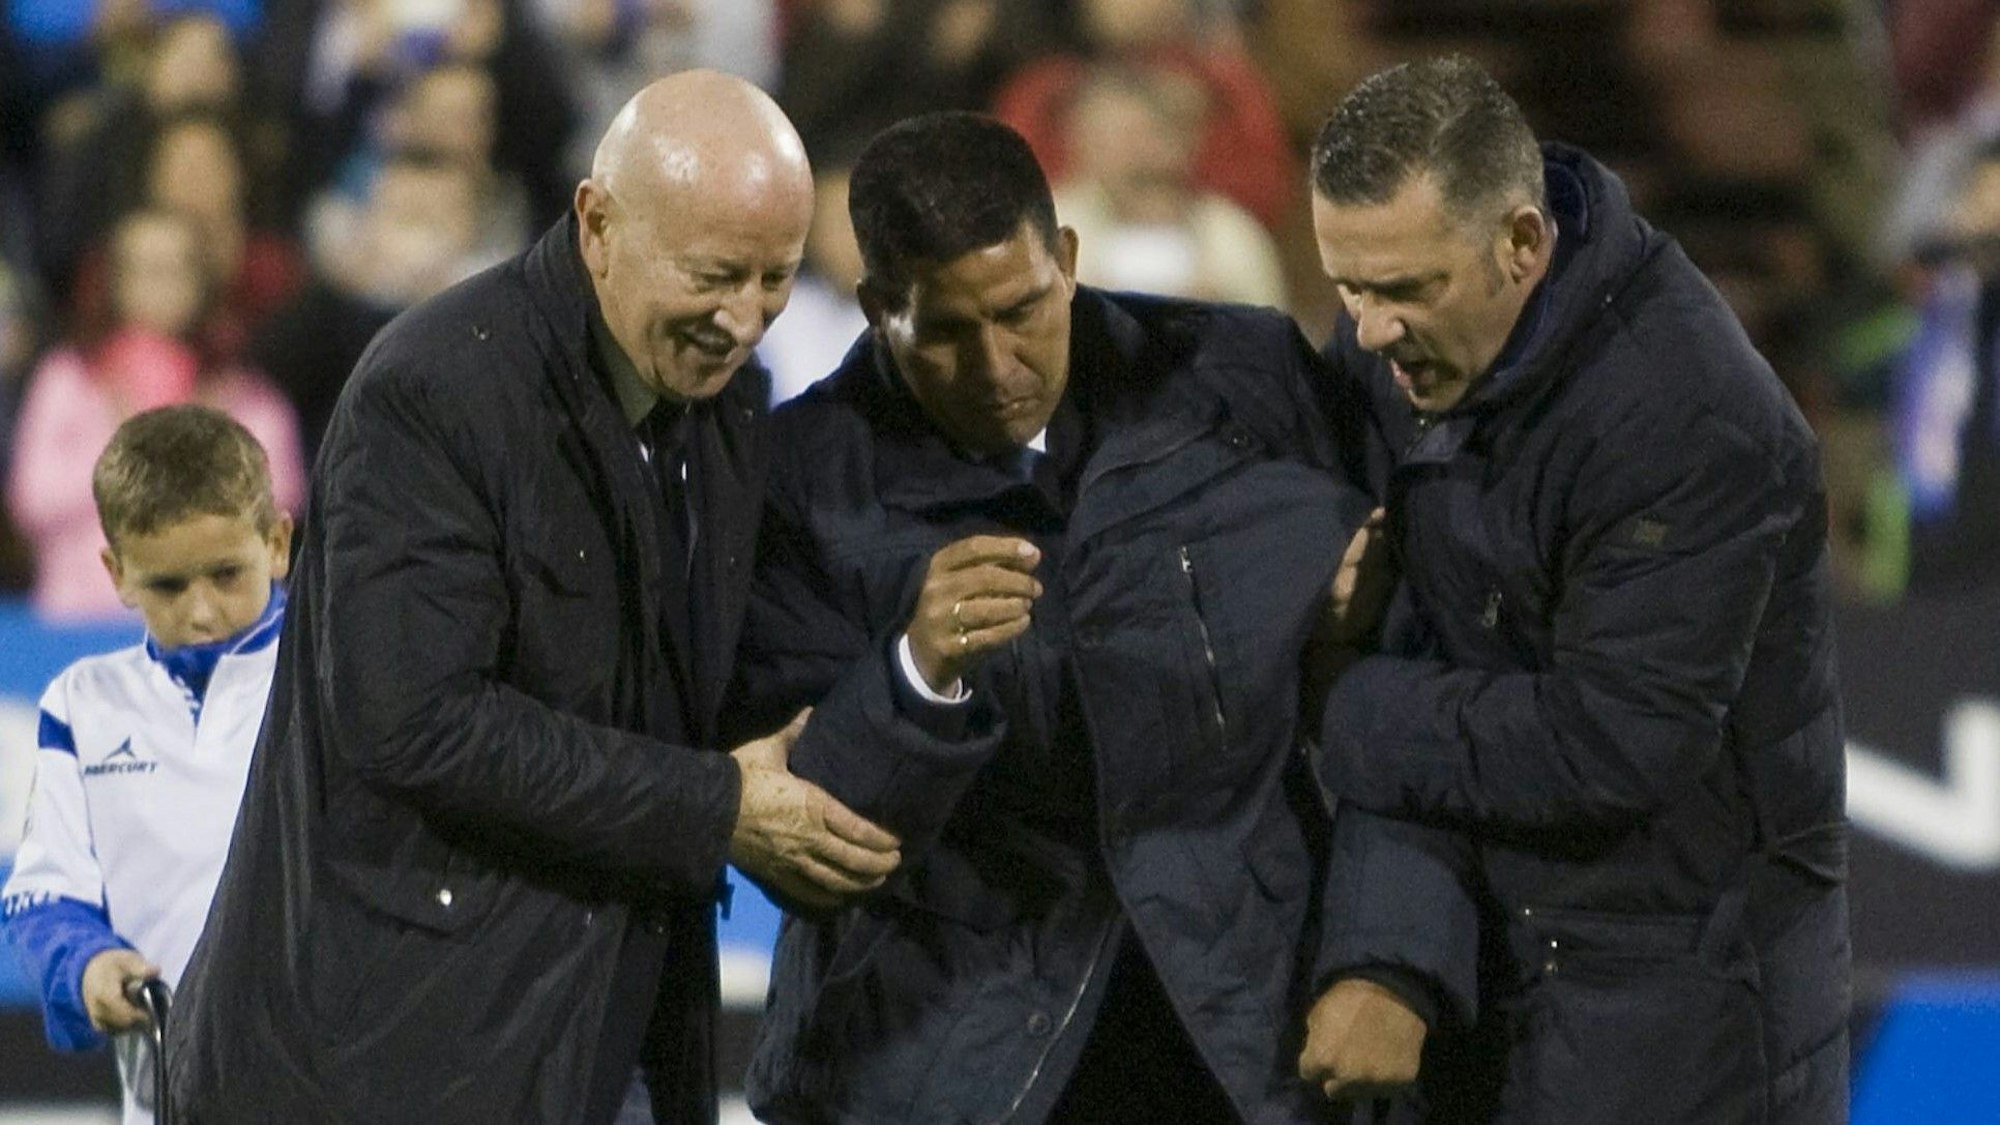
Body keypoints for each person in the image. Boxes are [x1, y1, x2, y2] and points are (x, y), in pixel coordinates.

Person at [166, 70, 902, 1123]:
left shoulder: (726, 405)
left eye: (774, 277)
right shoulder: (435, 391)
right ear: (598, 225)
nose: (744, 318)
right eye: (713, 275)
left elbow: (702, 687)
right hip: (394, 1052)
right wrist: (719, 806)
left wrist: (916, 668)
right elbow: (414, 721)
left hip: (606, 1027)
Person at [729, 110, 1466, 1125]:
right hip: (950, 1059)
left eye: (1022, 310)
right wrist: (915, 676)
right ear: (875, 307)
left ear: (1066, 259)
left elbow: (1408, 688)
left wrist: (1390, 958)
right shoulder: (799, 484)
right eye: (945, 333)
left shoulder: (1241, 377)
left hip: (1244, 1032)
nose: (996, 366)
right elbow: (810, 844)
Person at [1300, 56, 1850, 1123]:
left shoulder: (1689, 418)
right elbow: (1419, 647)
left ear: (1520, 241)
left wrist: (1332, 697)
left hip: (1682, 1001)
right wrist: (1391, 954)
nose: (1368, 330)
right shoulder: (1398, 351)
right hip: (1494, 957)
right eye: (1347, 287)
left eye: (1403, 290)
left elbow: (1614, 739)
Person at [2, 403, 294, 1125]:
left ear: (277, 543)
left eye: (226, 574)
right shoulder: (83, 704)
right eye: (168, 586)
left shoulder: (335, 682)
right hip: (163, 1097)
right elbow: (45, 893)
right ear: (117, 571)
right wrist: (88, 967)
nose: (202, 611)